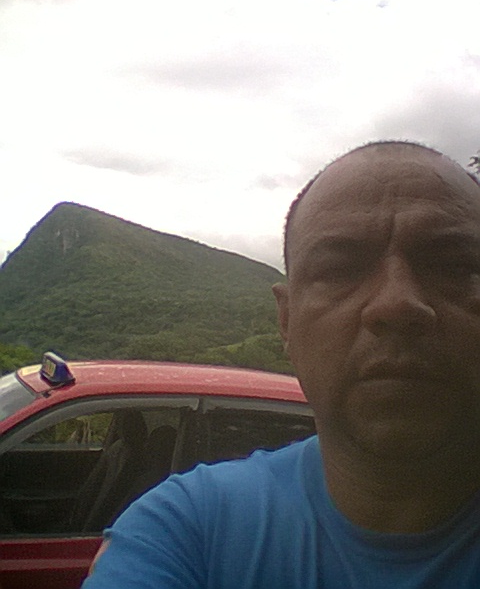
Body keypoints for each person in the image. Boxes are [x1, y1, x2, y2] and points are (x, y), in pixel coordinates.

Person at [83, 141, 480, 588]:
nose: (398, 303)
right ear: (287, 320)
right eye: (339, 270)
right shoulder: (187, 529)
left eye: (454, 267)